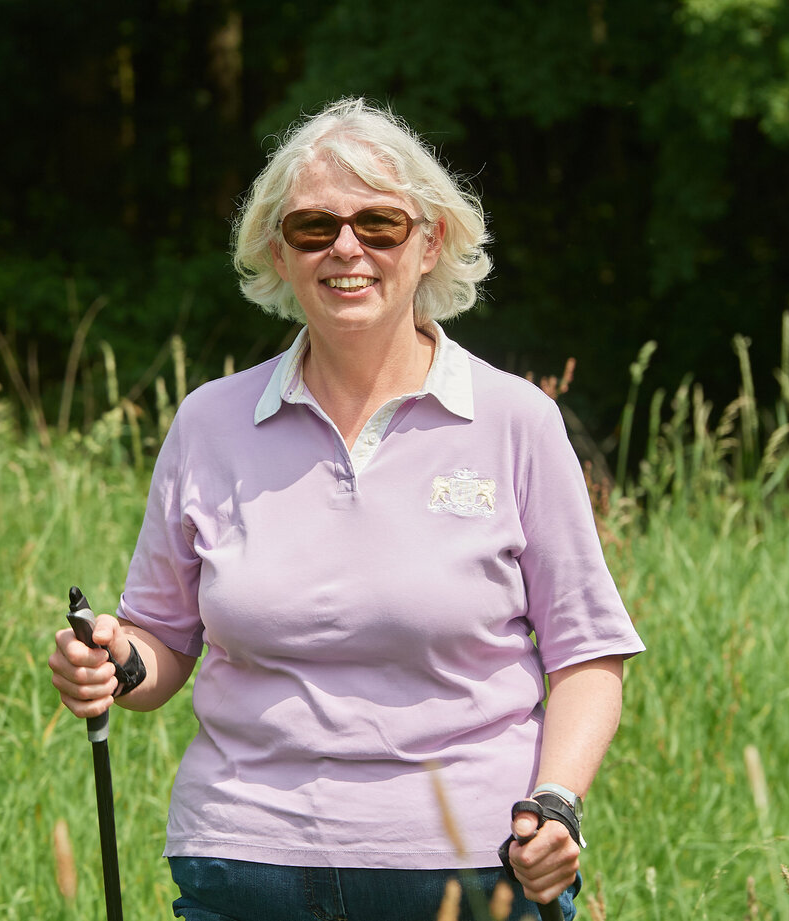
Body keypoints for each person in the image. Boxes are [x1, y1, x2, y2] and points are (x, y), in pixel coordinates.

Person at [48, 98, 643, 921]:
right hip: (244, 861)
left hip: (473, 871)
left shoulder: (515, 423)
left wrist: (558, 800)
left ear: (430, 241)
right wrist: (112, 657)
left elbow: (587, 653)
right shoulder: (209, 423)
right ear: (277, 253)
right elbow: (160, 643)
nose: (346, 248)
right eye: (313, 228)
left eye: (380, 223)